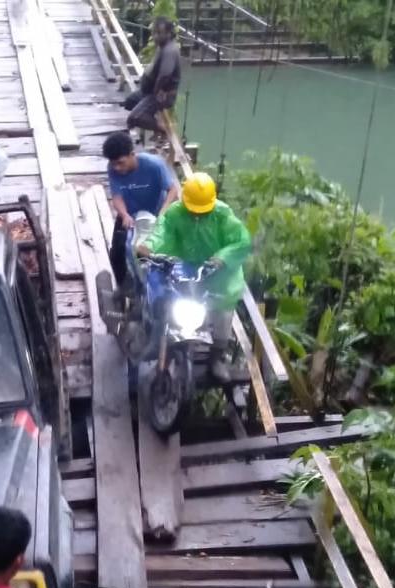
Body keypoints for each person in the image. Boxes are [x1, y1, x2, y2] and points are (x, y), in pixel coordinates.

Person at [135, 171, 252, 384]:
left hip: (219, 273)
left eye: (202, 211)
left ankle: (216, 357)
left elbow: (242, 242)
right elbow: (163, 232)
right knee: (168, 297)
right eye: (193, 211)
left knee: (223, 314)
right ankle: (160, 335)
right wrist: (149, 247)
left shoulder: (224, 215)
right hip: (185, 266)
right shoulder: (175, 213)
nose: (197, 215)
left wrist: (221, 258)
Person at [102, 131, 180, 284]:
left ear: (132, 154)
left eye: (121, 163)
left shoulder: (154, 165)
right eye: (114, 164)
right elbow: (117, 197)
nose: (117, 168)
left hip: (156, 213)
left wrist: (163, 213)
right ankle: (123, 288)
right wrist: (124, 215)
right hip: (130, 215)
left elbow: (172, 189)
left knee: (165, 250)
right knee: (117, 254)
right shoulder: (112, 169)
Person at [123, 18, 182, 133]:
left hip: (161, 94)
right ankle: (148, 117)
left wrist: (156, 93)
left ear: (169, 34)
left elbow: (165, 75)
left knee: (135, 117)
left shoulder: (170, 50)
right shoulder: (162, 45)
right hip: (148, 92)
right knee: (129, 101)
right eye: (154, 33)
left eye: (159, 33)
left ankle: (163, 130)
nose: (155, 36)